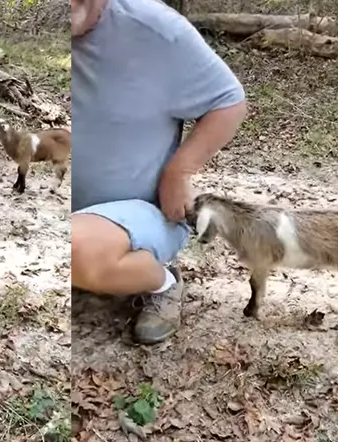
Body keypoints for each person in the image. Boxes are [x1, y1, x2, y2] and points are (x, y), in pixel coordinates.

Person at [71, 0, 247, 345]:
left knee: (76, 248)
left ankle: (163, 282)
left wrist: (179, 172)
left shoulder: (156, 29)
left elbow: (229, 101)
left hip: (139, 211)